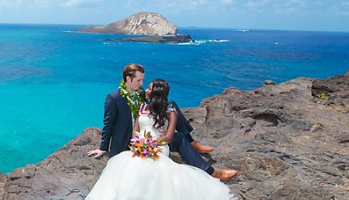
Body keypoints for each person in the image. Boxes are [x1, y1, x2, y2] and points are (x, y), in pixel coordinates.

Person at [84, 79, 236, 200]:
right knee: (131, 168)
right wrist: (138, 143)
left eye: (148, 88)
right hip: (141, 144)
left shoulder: (169, 110)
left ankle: (204, 162)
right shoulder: (140, 105)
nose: (145, 89)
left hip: (158, 145)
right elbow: (134, 130)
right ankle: (202, 159)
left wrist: (150, 144)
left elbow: (168, 137)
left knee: (173, 143)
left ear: (155, 93)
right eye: (142, 83)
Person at [87, 63, 237, 182]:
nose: (142, 83)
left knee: (171, 108)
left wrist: (164, 127)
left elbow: (155, 109)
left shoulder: (142, 94)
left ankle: (203, 160)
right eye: (139, 80)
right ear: (128, 79)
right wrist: (103, 148)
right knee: (173, 125)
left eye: (143, 80)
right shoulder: (114, 98)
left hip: (152, 138)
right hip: (130, 142)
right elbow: (108, 124)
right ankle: (207, 167)